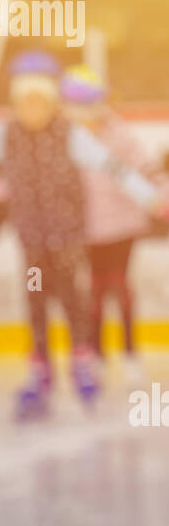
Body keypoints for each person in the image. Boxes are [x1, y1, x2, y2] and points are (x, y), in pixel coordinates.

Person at [0, 51, 165, 420]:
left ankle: (82, 363)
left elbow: (112, 167)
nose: (32, 110)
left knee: (74, 301)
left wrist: (149, 196)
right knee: (37, 302)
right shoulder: (3, 134)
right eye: (25, 101)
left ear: (52, 102)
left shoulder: (69, 134)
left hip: (68, 240)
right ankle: (40, 372)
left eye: (40, 101)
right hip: (32, 244)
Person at [61, 64, 167, 386]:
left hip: (121, 226)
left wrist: (161, 196)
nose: (87, 113)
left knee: (119, 286)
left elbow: (145, 168)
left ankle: (130, 351)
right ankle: (97, 353)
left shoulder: (118, 133)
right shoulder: (64, 137)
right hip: (84, 230)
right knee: (93, 290)